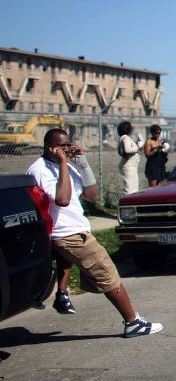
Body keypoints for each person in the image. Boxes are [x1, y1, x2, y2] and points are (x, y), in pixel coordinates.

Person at [27, 128, 163, 337]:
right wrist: (63, 163)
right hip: (67, 234)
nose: (66, 150)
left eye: (68, 145)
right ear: (49, 147)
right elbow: (62, 200)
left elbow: (91, 195)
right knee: (108, 274)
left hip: (77, 229)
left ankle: (62, 294)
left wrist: (82, 163)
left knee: (99, 273)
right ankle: (133, 322)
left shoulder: (68, 168)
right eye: (61, 146)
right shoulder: (40, 169)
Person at [117, 121, 144, 195]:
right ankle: (127, 205)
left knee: (133, 189)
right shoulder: (125, 137)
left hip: (131, 166)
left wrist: (138, 146)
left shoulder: (125, 138)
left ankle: (132, 205)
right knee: (130, 190)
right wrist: (138, 148)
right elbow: (128, 150)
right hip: (129, 167)